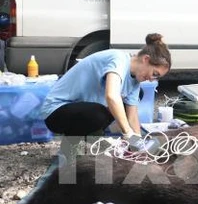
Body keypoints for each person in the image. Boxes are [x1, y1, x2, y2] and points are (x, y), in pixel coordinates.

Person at [40, 33, 171, 161]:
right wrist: (127, 134)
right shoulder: (118, 59)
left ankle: (92, 135)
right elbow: (111, 96)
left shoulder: (135, 81)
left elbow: (132, 116)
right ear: (146, 59)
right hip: (56, 112)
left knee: (127, 101)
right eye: (155, 73)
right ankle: (69, 149)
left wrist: (139, 144)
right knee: (99, 114)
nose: (151, 79)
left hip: (82, 109)